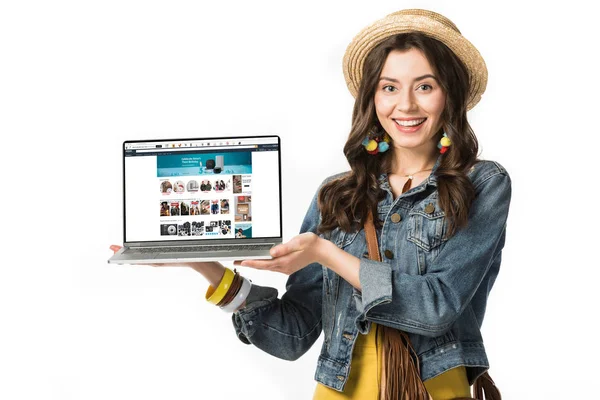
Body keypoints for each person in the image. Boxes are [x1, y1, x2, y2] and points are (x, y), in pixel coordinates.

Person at [111, 9, 510, 400]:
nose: (405, 105)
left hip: (430, 390)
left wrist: (325, 253)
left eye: (425, 86)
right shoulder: (338, 194)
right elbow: (294, 335)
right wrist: (203, 263)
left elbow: (435, 308)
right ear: (372, 97)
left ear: (450, 94)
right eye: (389, 87)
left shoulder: (481, 184)